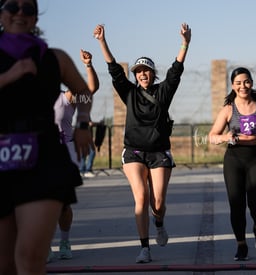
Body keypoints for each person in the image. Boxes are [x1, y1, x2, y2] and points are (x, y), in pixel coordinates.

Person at [0, 0, 93, 274]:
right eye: (12, 6)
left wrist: (84, 123)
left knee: (29, 258)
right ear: (1, 13)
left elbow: (84, 91)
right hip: (2, 160)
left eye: (28, 9)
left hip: (43, 159)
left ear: (36, 18)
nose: (20, 13)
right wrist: (10, 76)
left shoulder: (54, 58)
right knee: (4, 265)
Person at [94, 22, 191, 263]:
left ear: (152, 73)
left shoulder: (163, 92)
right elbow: (114, 70)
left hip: (159, 153)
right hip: (134, 152)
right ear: (135, 75)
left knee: (157, 203)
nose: (142, 74)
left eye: (146, 70)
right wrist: (102, 42)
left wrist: (185, 43)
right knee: (141, 198)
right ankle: (144, 248)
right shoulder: (129, 93)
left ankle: (159, 222)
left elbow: (175, 71)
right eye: (138, 71)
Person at [209, 67, 256, 261]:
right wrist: (225, 137)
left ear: (251, 83)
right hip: (234, 159)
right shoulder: (228, 109)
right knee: (236, 204)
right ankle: (241, 244)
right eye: (238, 83)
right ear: (233, 86)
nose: (242, 86)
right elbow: (212, 137)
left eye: (246, 82)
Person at [49, 49, 99, 262]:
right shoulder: (26, 99)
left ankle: (65, 241)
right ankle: (43, 246)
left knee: (61, 205)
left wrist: (88, 65)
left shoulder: (64, 98)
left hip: (63, 153)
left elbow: (90, 90)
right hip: (34, 155)